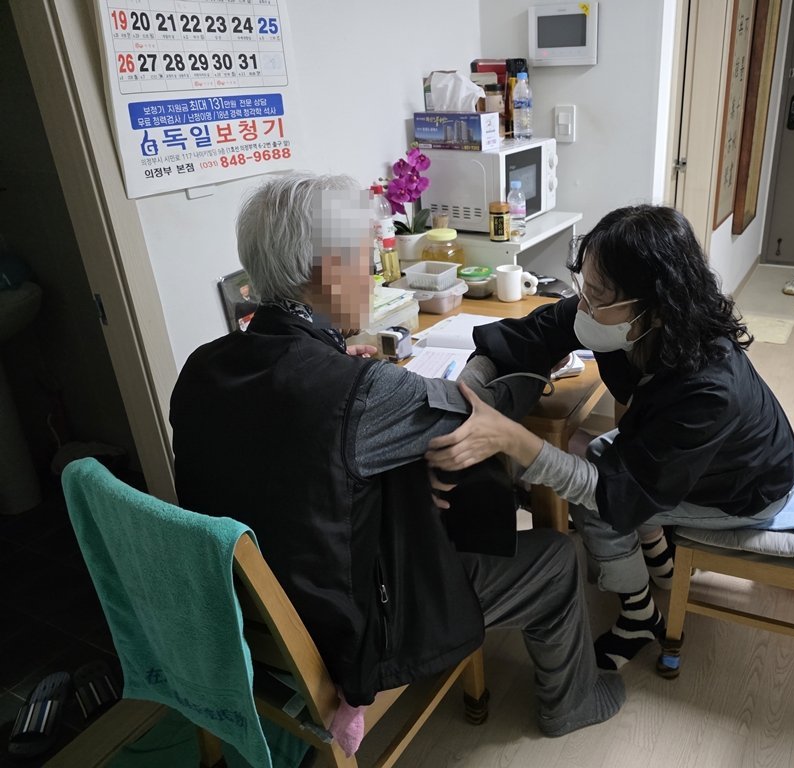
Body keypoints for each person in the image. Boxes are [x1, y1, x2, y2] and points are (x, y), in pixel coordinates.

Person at [168, 172, 624, 737]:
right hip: (347, 630)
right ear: (330, 271)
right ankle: (572, 704)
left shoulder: (201, 367)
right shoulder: (361, 393)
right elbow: (478, 414)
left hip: (237, 613)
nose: (375, 277)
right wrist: (535, 369)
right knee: (555, 558)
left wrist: (343, 366)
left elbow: (288, 458)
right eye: (367, 261)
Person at [425, 205, 794, 671]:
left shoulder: (708, 389)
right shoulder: (623, 319)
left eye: (597, 296)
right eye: (584, 287)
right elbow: (521, 340)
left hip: (747, 488)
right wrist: (464, 402)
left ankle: (640, 615)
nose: (582, 306)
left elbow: (618, 495)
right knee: (601, 454)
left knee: (594, 503)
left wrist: (514, 440)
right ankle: (660, 560)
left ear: (657, 307)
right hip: (687, 461)